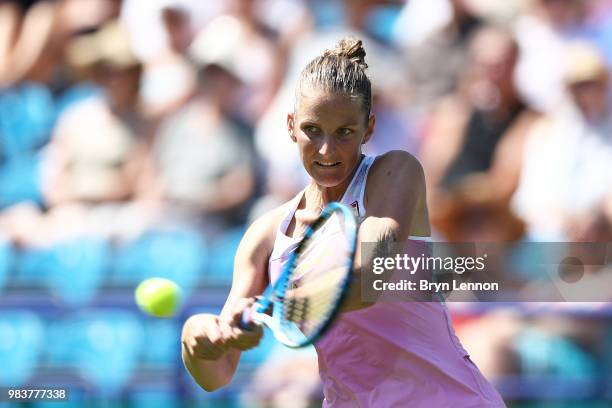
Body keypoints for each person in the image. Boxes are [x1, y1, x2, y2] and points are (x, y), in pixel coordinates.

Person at [181, 38, 506, 407]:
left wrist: (281, 305)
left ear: (368, 129)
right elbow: (216, 375)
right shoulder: (266, 235)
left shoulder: (394, 173)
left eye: (344, 132)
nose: (326, 150)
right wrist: (199, 339)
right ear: (290, 126)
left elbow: (366, 278)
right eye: (312, 130)